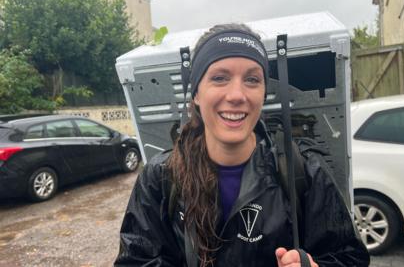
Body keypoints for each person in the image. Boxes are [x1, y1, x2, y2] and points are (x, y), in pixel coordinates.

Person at [114, 23, 370, 267]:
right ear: (196, 94)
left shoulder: (302, 170)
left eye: (252, 80)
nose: (237, 95)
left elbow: (349, 256)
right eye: (219, 78)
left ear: (263, 92)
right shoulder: (161, 177)